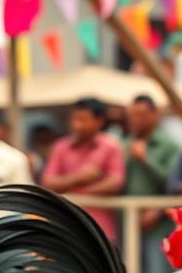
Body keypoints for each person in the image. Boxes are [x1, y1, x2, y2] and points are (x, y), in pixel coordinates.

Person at [123, 95, 182, 273]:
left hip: (159, 226)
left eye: (140, 115)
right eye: (131, 115)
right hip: (128, 222)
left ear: (154, 116)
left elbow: (175, 184)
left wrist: (147, 160)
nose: (135, 120)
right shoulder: (124, 144)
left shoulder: (169, 145)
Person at [41, 97, 127, 238]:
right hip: (65, 225)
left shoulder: (111, 147)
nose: (77, 125)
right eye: (74, 119)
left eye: (83, 120)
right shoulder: (60, 147)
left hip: (100, 228)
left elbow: (116, 182)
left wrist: (74, 190)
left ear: (99, 121)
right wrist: (78, 179)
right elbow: (48, 182)